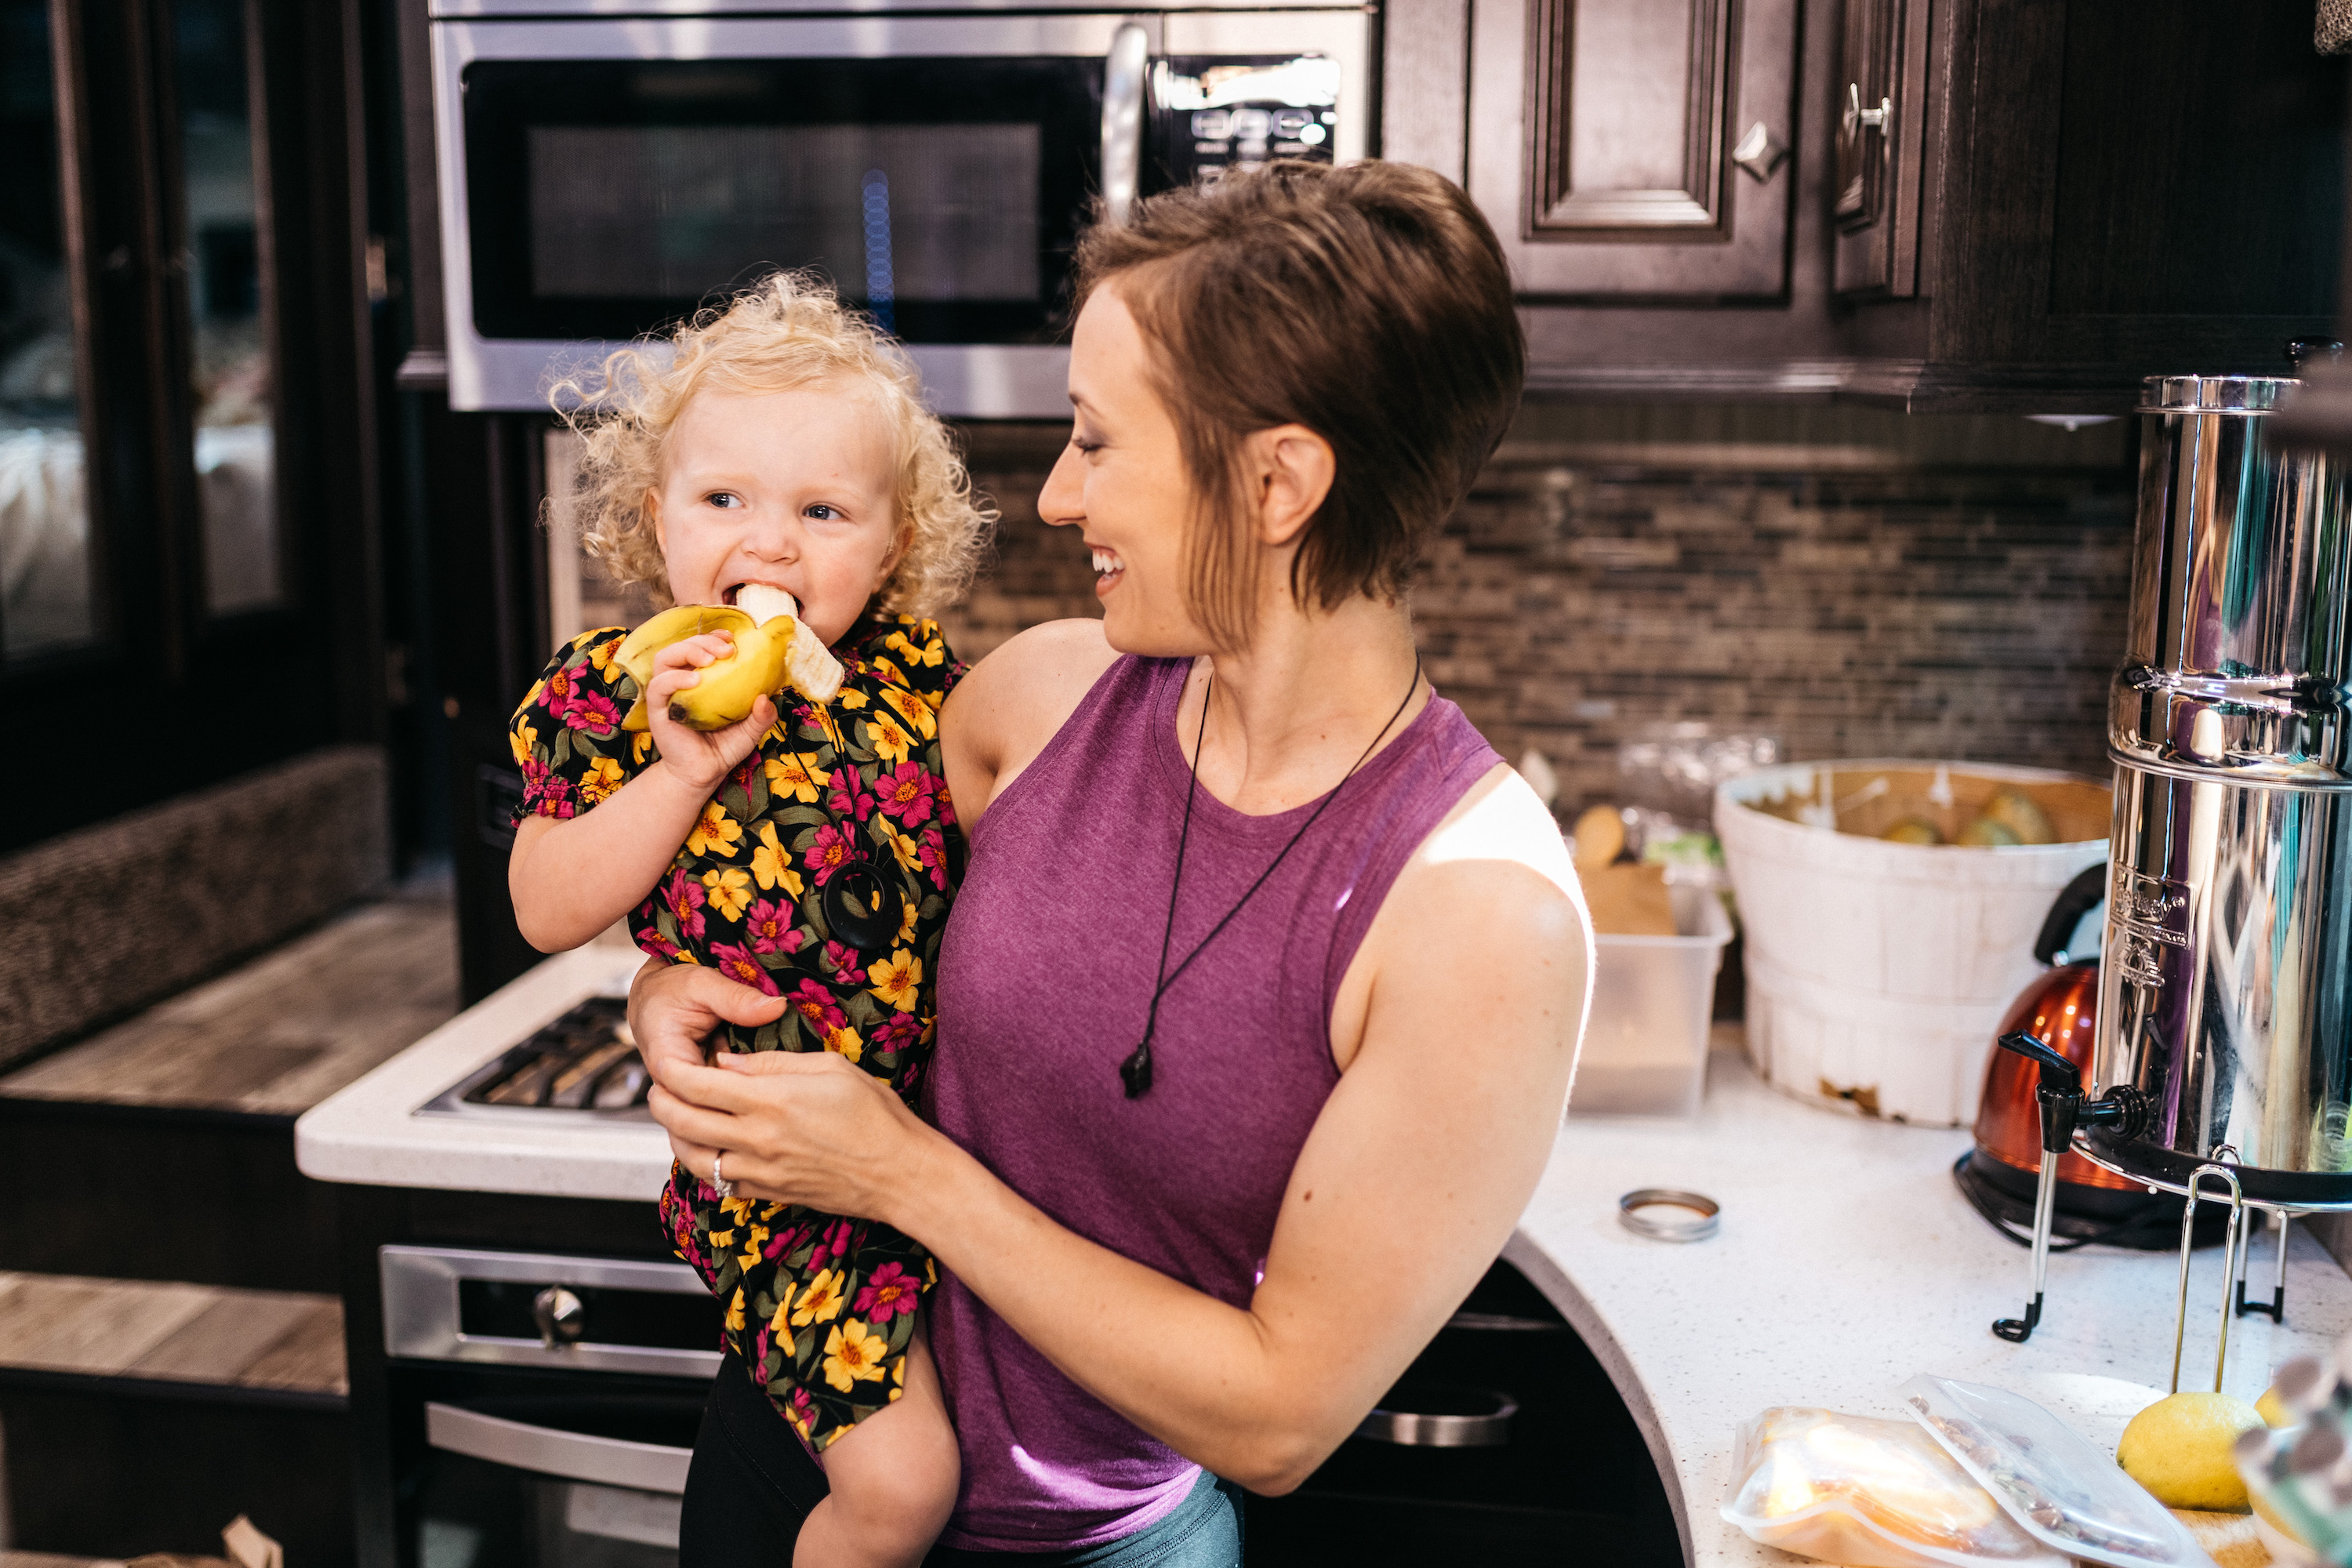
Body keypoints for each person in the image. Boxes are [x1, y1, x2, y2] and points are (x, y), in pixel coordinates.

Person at [633, 160, 1591, 1564]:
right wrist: (669, 977)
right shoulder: (1041, 700)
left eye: (1096, 442)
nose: (1059, 500)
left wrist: (905, 1176)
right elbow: (798, 887)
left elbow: (1279, 1417)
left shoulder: (1478, 916)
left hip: (1092, 1545)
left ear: (1278, 483)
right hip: (802, 1453)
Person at [503, 271, 993, 1568]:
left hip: (943, 1147)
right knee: (902, 1486)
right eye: (725, 500)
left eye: (823, 511)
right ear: (654, 516)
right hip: (782, 1179)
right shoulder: (614, 697)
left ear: (889, 550)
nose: (770, 546)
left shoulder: (920, 686)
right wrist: (681, 772)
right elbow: (546, 906)